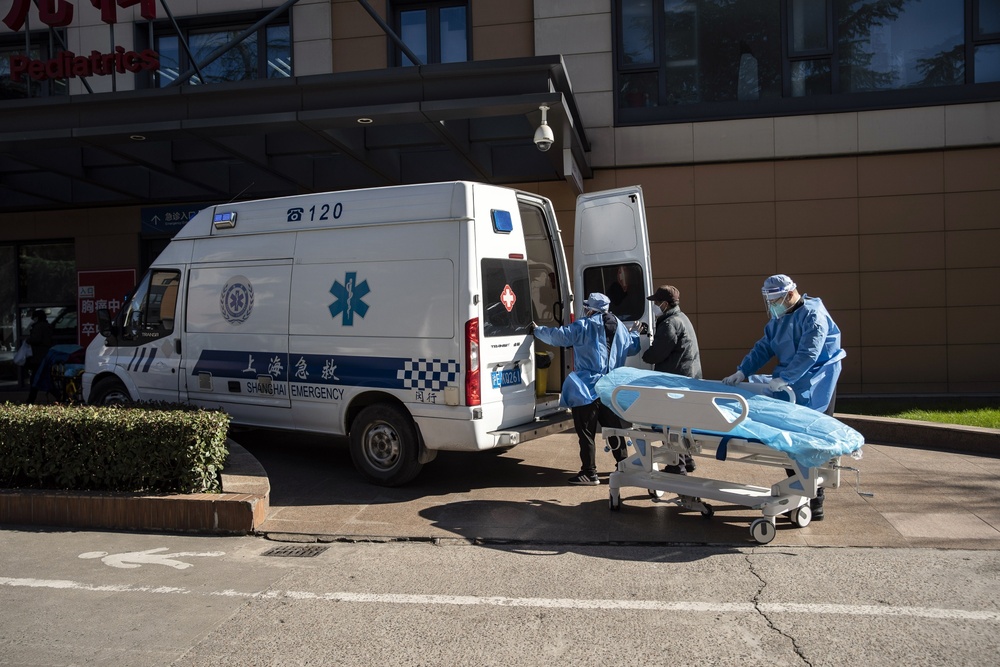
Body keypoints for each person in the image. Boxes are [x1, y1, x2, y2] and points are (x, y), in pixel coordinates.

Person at [721, 274, 845, 520]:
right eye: (770, 301)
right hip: (791, 381)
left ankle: (815, 501)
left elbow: (810, 353)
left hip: (817, 381)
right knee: (789, 443)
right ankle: (799, 491)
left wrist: (786, 378)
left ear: (790, 294)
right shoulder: (780, 318)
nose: (772, 306)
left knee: (810, 442)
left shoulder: (813, 315)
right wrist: (743, 370)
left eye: (776, 300)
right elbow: (765, 346)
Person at [531, 293, 641, 485]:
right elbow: (632, 348)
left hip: (586, 389)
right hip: (610, 390)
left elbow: (559, 337)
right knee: (614, 429)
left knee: (586, 433)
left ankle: (589, 472)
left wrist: (537, 330)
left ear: (591, 309)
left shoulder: (584, 325)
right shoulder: (621, 328)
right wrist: (635, 333)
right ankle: (624, 466)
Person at [641, 284, 702, 473]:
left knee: (671, 423)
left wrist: (645, 352)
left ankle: (678, 465)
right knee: (681, 423)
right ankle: (687, 460)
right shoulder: (682, 318)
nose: (655, 306)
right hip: (687, 379)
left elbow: (657, 354)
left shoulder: (670, 323)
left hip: (675, 381)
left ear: (665, 304)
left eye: (657, 303)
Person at [24, 309, 54, 403]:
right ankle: (58, 395)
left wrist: (28, 340)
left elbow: (36, 339)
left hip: (38, 357)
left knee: (35, 379)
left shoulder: (39, 327)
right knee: (44, 379)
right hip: (44, 356)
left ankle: (31, 399)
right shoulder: (47, 326)